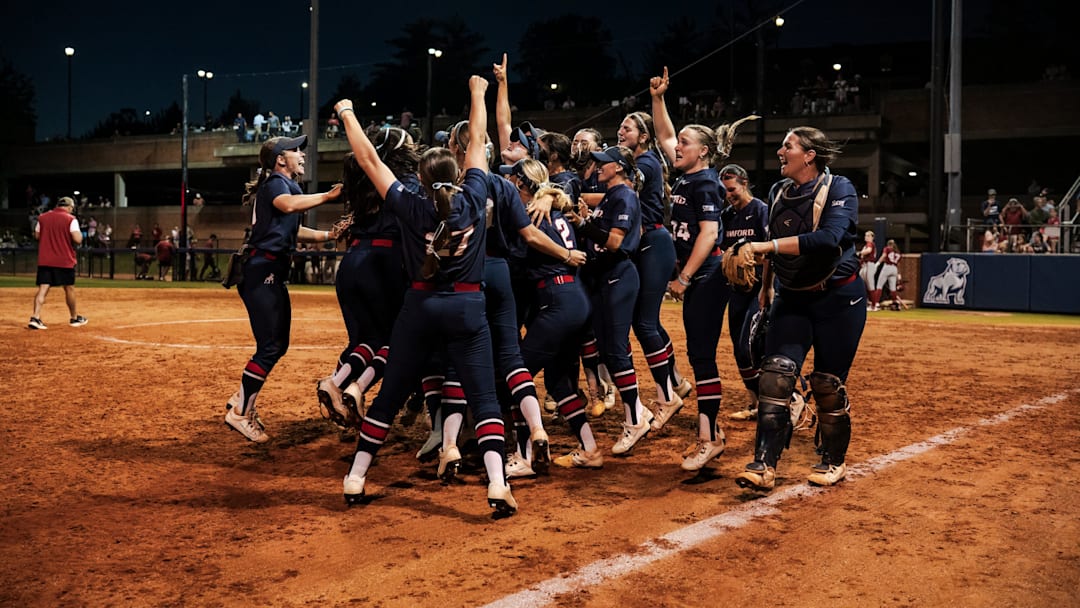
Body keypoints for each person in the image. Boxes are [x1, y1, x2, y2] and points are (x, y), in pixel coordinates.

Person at [334, 76, 521, 517]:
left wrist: (347, 113)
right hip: (467, 307)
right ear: (458, 174)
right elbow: (477, 139)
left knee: (389, 396)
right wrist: (477, 94)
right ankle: (498, 485)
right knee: (484, 399)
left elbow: (368, 158)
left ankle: (355, 477)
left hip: (419, 306)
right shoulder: (474, 196)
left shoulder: (410, 203)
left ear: (419, 177)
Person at [733, 126, 866, 492]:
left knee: (826, 384)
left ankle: (833, 461)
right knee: (775, 377)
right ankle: (763, 464)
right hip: (791, 295)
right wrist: (765, 287)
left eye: (787, 146)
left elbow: (828, 238)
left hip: (838, 299)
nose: (780, 151)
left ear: (809, 155)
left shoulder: (839, 188)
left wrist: (766, 248)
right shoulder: (778, 191)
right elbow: (772, 241)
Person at [223, 134, 343, 444]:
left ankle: (242, 397)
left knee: (276, 344)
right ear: (280, 160)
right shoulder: (277, 184)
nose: (302, 155)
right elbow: (288, 206)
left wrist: (330, 235)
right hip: (262, 271)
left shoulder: (286, 186)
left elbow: (294, 229)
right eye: (295, 150)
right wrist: (328, 196)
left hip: (268, 271)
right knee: (271, 346)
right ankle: (240, 412)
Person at [315, 127, 418, 431]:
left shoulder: (362, 176)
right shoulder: (405, 179)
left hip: (352, 261)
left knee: (365, 340)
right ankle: (355, 388)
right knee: (397, 340)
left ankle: (337, 384)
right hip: (384, 261)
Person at [565, 146, 652, 456]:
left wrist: (582, 224)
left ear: (619, 167)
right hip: (604, 277)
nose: (598, 167)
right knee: (610, 350)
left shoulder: (624, 195)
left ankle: (634, 421)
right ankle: (637, 411)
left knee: (615, 350)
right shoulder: (611, 196)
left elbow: (615, 242)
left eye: (604, 163)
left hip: (618, 275)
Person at [28, 197, 88, 330]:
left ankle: (35, 317)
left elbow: (37, 236)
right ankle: (74, 318)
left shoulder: (42, 217)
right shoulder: (71, 219)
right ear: (69, 207)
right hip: (64, 260)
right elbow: (77, 239)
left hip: (45, 259)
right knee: (69, 288)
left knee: (43, 288)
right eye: (72, 208)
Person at [869, 239, 902, 311]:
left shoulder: (887, 249)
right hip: (895, 269)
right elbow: (898, 264)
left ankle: (876, 303)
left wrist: (877, 263)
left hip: (887, 267)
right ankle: (895, 303)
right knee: (893, 288)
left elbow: (884, 256)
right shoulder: (898, 252)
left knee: (879, 286)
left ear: (888, 244)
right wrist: (899, 276)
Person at [858, 230, 878, 301]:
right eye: (865, 235)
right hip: (866, 265)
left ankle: (874, 304)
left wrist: (859, 253)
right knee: (861, 283)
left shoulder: (870, 243)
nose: (866, 237)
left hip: (869, 265)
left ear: (872, 237)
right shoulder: (867, 245)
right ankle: (867, 301)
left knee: (870, 285)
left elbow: (868, 251)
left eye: (868, 236)